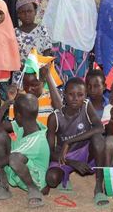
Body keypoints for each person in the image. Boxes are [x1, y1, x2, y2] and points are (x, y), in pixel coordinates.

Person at [45, 78, 108, 206]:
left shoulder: (86, 106)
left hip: (85, 150)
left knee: (98, 138)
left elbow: (100, 127)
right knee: (51, 179)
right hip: (65, 156)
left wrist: (70, 141)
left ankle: (99, 187)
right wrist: (72, 163)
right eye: (71, 94)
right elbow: (50, 153)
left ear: (85, 96)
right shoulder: (54, 118)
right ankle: (65, 175)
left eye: (80, 95)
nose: (75, 98)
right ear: (63, 95)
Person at [0, 93, 49, 209]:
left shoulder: (36, 140)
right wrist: (5, 105)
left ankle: (33, 190)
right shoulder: (26, 124)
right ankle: (4, 187)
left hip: (35, 180)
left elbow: (0, 162)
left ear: (18, 115)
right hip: (17, 170)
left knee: (13, 158)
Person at [42, 0, 97, 81]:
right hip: (61, 46)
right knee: (60, 79)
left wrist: (90, 44)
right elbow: (49, 21)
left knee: (80, 80)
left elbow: (92, 24)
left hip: (82, 47)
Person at [13, 0, 52, 80]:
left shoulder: (42, 29)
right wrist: (23, 68)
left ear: (35, 12)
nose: (27, 14)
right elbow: (11, 55)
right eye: (23, 12)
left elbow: (47, 51)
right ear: (18, 15)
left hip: (40, 73)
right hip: (20, 74)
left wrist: (41, 68)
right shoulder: (14, 33)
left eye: (30, 11)